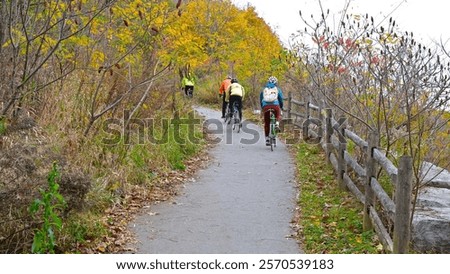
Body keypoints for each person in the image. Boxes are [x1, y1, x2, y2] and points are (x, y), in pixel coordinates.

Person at [260, 76, 284, 146]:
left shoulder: (264, 89)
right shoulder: (277, 89)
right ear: (276, 83)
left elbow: (261, 99)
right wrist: (281, 107)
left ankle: (267, 139)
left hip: (266, 106)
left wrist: (263, 107)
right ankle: (276, 123)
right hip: (275, 105)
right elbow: (281, 99)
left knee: (267, 122)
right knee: (278, 114)